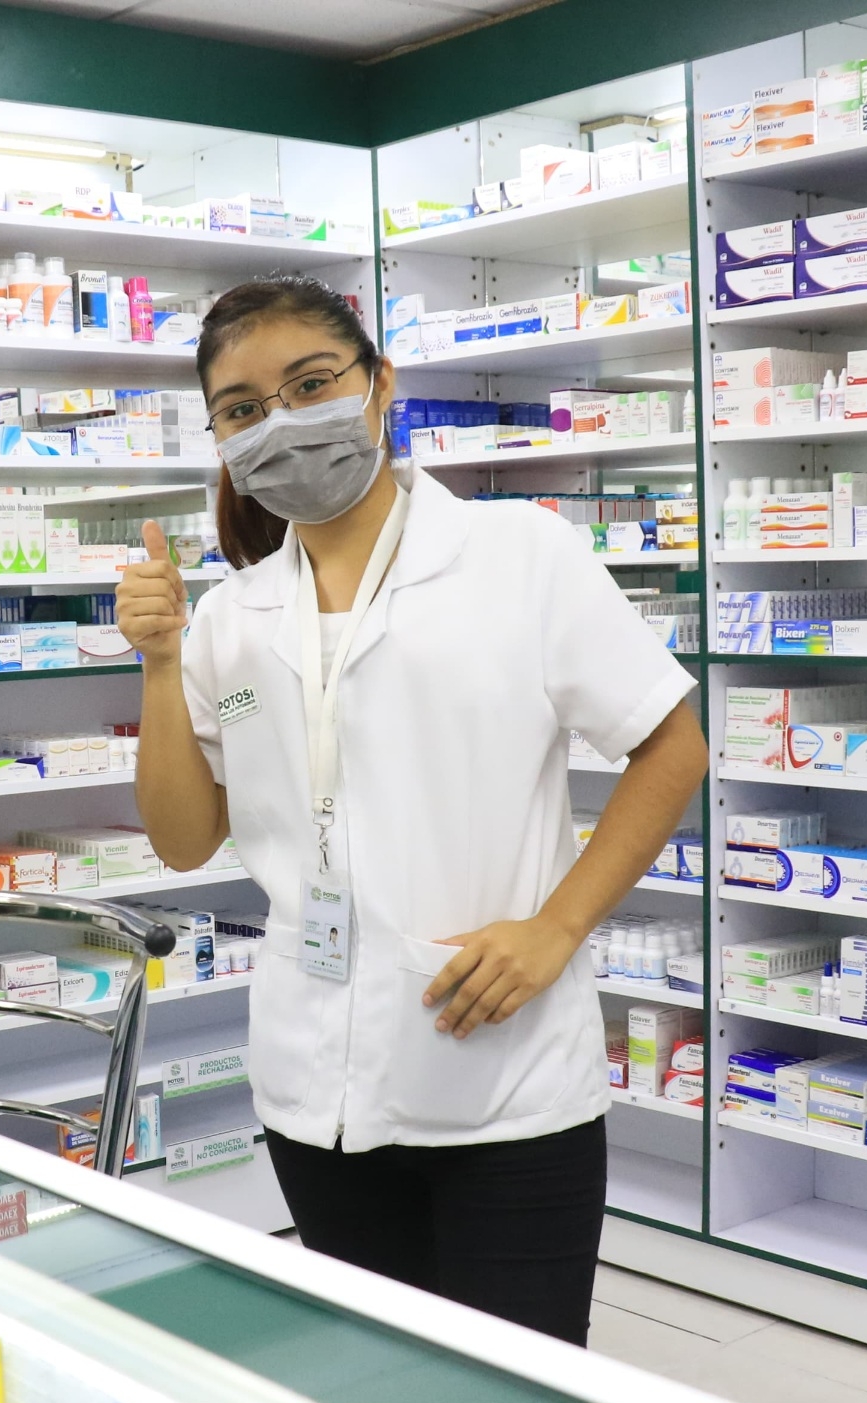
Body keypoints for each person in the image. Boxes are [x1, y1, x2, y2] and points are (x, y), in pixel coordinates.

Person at [116, 276, 706, 1345]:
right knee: (377, 1373)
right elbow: (184, 837)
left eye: (311, 385)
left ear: (379, 385)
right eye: (244, 409)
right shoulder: (232, 617)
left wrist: (557, 926)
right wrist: (160, 664)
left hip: (505, 1081)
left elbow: (672, 746)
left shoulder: (518, 557)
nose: (282, 423)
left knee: (514, 1378)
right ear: (222, 437)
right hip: (314, 1087)